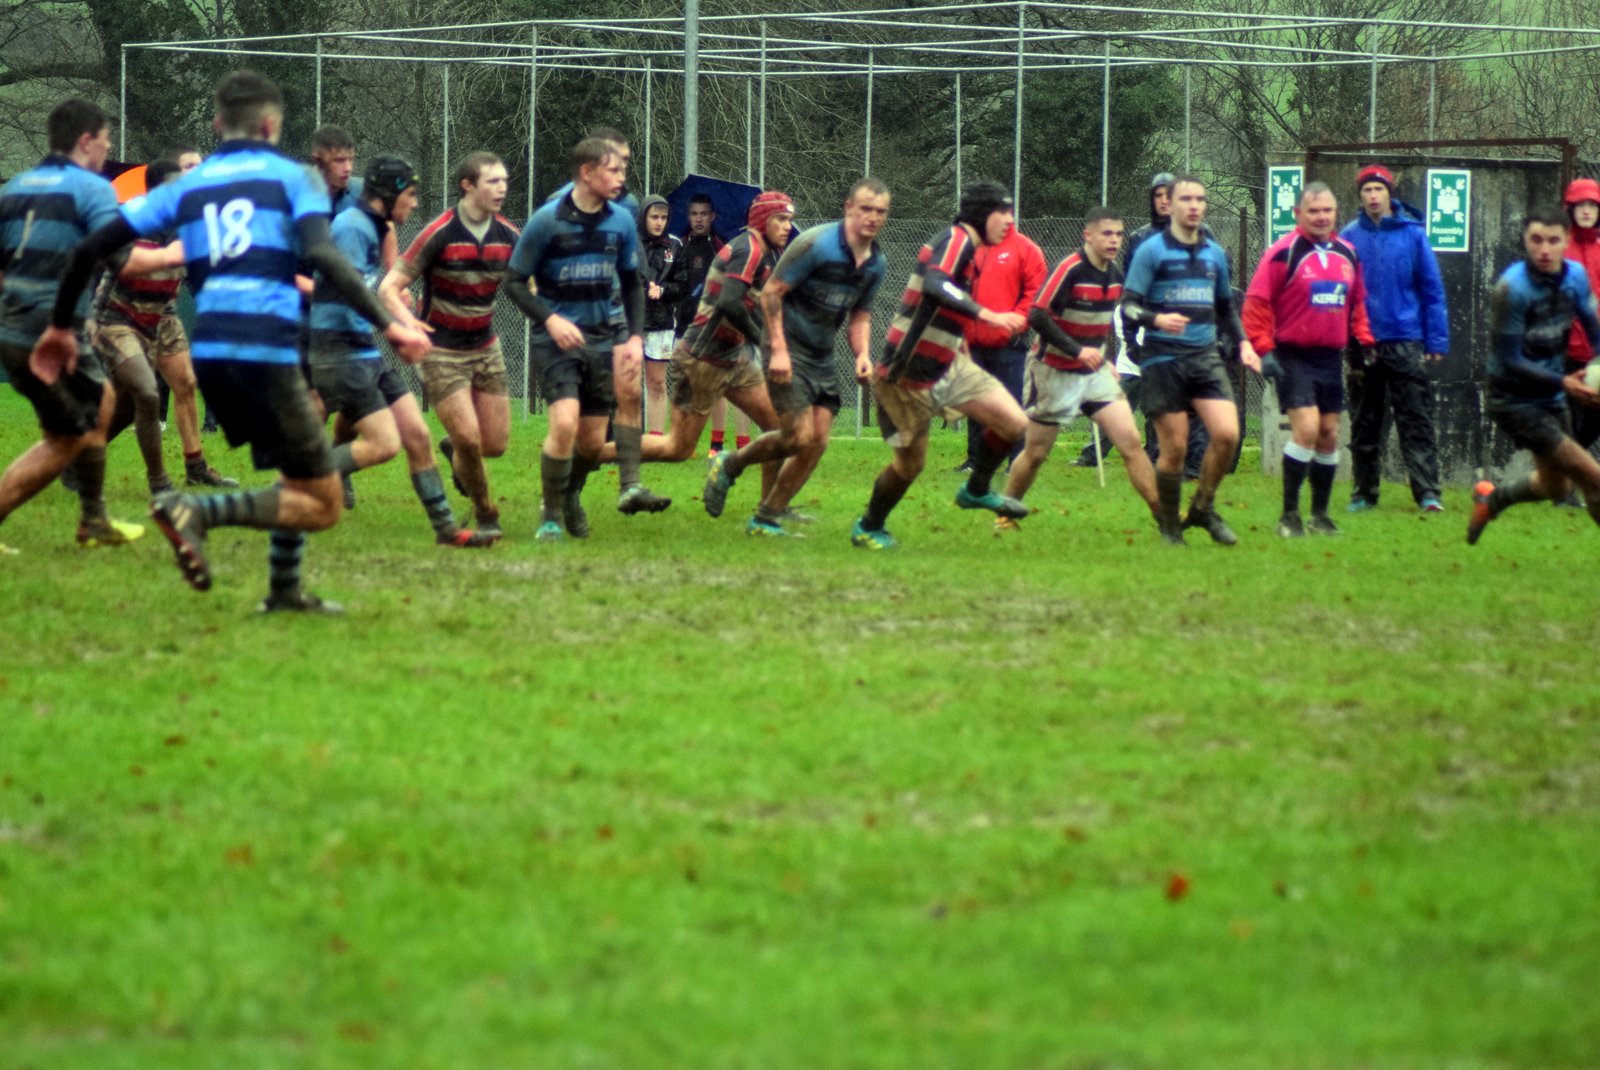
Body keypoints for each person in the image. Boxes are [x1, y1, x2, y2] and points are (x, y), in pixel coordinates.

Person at [37, 70, 430, 609]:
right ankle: (195, 511)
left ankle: (284, 591)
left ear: (219, 123)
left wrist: (61, 326)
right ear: (270, 125)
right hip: (266, 348)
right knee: (323, 503)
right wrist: (391, 324)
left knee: (298, 474)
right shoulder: (296, 179)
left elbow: (89, 250)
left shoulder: (188, 185)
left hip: (212, 354)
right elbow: (322, 254)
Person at [0, 98, 172, 554]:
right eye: (106, 139)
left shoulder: (15, 186)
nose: (109, 148)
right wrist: (183, 250)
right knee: (67, 439)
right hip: (50, 334)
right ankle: (86, 518)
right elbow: (125, 261)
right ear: (85, 140)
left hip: (14, 328)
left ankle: (93, 518)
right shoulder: (93, 190)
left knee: (103, 402)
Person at [307, 155, 493, 549]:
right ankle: (302, 476)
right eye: (410, 194)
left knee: (418, 435)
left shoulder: (372, 227)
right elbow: (352, 291)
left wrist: (397, 332)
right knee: (383, 444)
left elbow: (364, 292)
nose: (415, 202)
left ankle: (446, 530)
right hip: (339, 352)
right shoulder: (353, 227)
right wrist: (396, 331)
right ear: (389, 195)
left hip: (361, 350)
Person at [851, 181, 1032, 550]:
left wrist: (961, 345)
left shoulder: (973, 249)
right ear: (982, 214)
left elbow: (946, 308)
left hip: (948, 364)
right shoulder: (955, 239)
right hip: (906, 372)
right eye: (1002, 212)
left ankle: (976, 489)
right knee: (909, 466)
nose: (1009, 221)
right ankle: (869, 526)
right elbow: (935, 284)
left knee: (1014, 423)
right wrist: (986, 314)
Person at [705, 185, 889, 536]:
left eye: (880, 211)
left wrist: (863, 354)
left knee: (816, 441)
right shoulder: (815, 244)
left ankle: (766, 516)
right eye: (866, 208)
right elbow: (771, 294)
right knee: (797, 435)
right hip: (786, 346)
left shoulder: (875, 263)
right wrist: (777, 349)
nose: (873, 217)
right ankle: (730, 464)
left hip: (821, 354)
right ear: (848, 207)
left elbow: (860, 316)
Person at [505, 136, 650, 541]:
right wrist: (550, 320)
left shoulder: (621, 221)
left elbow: (632, 284)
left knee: (590, 445)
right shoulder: (547, 220)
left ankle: (569, 495)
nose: (621, 178)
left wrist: (635, 338)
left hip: (602, 342)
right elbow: (513, 281)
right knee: (565, 422)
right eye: (613, 170)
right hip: (556, 343)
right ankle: (550, 516)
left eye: (623, 170)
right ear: (586, 172)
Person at [616, 193, 793, 515]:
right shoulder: (749, 249)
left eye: (789, 220)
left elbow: (752, 305)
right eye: (780, 219)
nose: (787, 226)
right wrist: (766, 343)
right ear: (762, 221)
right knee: (677, 448)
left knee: (780, 429)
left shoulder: (765, 253)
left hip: (732, 357)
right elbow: (730, 302)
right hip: (703, 359)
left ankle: (769, 510)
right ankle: (588, 455)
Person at [378, 151, 519, 540]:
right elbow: (389, 287)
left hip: (486, 346)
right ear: (467, 185)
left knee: (494, 444)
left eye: (505, 181)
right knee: (470, 439)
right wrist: (409, 324)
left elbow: (530, 283)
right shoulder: (439, 232)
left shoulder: (508, 235)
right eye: (493, 181)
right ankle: (486, 513)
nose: (502, 189)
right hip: (440, 350)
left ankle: (455, 450)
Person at [1120, 175, 1260, 546]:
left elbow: (1225, 308)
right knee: (1175, 449)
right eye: (1186, 199)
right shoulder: (1151, 251)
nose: (1194, 205)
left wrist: (1244, 343)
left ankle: (1202, 507)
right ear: (1171, 204)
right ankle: (1170, 525)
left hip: (1204, 357)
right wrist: (1156, 320)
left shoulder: (1214, 254)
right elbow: (1129, 305)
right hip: (1163, 359)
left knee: (1227, 435)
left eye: (1200, 199)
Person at [1000, 207, 1159, 526]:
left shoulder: (1114, 276)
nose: (1114, 240)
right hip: (1053, 370)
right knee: (1036, 452)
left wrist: (1101, 359)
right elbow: (1037, 315)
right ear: (1088, 235)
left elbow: (1098, 325)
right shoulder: (1070, 269)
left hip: (1092, 374)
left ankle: (1165, 517)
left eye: (1119, 234)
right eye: (1107, 234)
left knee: (1129, 441)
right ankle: (1005, 513)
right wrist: (1077, 351)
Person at [89, 157, 238, 495]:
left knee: (184, 384)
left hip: (163, 313)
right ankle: (91, 459)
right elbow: (116, 262)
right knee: (136, 398)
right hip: (121, 315)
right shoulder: (133, 217)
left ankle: (196, 468)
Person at [1243, 182, 1374, 538]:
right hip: (1292, 356)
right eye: (1313, 211)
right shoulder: (1283, 253)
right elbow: (1256, 303)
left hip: (1329, 357)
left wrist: (1364, 343)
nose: (1321, 217)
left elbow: (1357, 303)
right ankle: (1289, 516)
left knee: (1329, 434)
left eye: (1327, 210)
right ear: (1297, 214)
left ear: (1336, 213)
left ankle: (1320, 516)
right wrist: (1264, 350)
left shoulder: (1348, 254)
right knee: (1306, 429)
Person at [1468, 207, 1600, 543]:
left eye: (1553, 241)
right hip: (1512, 399)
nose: (1544, 249)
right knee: (1592, 474)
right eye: (1536, 240)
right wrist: (1564, 382)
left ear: (1566, 241)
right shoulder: (1512, 288)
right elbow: (1509, 358)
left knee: (1556, 486)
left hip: (1551, 396)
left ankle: (1491, 500)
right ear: (1525, 241)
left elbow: (1593, 329)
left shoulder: (1576, 277)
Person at [1079, 171, 1205, 475]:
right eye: (1157, 195)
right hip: (1142, 324)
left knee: (1165, 400)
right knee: (1121, 393)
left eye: (1168, 195)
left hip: (1177, 329)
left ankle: (1159, 455)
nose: (1163, 201)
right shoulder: (1140, 237)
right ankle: (1093, 453)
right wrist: (1131, 330)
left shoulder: (1200, 235)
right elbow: (1131, 286)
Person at [1340, 164, 1448, 513]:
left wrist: (1436, 340)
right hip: (1363, 343)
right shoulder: (1349, 237)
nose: (1373, 196)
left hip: (1406, 339)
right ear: (1360, 196)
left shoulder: (1413, 235)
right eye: (1367, 190)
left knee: (1415, 418)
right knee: (1365, 421)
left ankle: (1428, 493)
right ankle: (1363, 493)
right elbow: (1341, 292)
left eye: (1379, 190)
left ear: (1390, 194)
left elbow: (1432, 290)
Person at [957, 207, 1045, 472]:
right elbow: (958, 289)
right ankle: (975, 460)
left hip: (1010, 343)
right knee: (976, 401)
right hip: (973, 341)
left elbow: (1035, 293)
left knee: (1012, 403)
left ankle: (1015, 460)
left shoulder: (1026, 249)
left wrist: (1016, 322)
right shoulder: (971, 248)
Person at [637, 194, 685, 436]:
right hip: (631, 322)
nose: (659, 222)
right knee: (629, 384)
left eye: (663, 218)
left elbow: (683, 285)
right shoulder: (630, 243)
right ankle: (630, 439)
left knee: (656, 383)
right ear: (643, 217)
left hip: (662, 323)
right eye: (654, 217)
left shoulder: (675, 246)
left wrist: (663, 291)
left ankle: (655, 439)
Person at [1562, 178, 1600, 461]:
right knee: (1569, 422)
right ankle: (1563, 476)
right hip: (1566, 351)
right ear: (1571, 209)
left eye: (1592, 205)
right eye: (1580, 205)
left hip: (1596, 352)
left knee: (1592, 422)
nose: (1586, 211)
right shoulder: (1561, 247)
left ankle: (1564, 469)